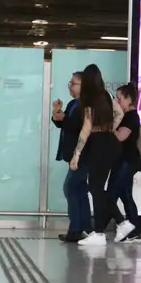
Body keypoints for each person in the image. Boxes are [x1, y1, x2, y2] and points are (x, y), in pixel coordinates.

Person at [70, 64, 122, 247]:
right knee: (97, 187)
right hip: (111, 143)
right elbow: (119, 113)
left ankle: (99, 233)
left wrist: (77, 153)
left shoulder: (90, 98)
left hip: (99, 144)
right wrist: (110, 128)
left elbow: (86, 128)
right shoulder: (106, 95)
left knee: (95, 186)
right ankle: (120, 223)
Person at [52, 71, 90, 242]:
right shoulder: (73, 103)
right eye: (70, 83)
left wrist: (64, 118)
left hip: (82, 154)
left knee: (70, 187)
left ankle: (76, 228)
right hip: (73, 154)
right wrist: (57, 114)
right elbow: (64, 124)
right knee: (79, 191)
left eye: (73, 83)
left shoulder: (86, 106)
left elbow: (80, 126)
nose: (70, 86)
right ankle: (84, 228)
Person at [109, 83, 141, 244]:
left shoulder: (131, 116)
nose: (117, 101)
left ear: (128, 99)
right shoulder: (126, 116)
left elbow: (120, 137)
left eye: (119, 98)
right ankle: (133, 231)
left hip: (127, 161)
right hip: (124, 160)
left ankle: (121, 226)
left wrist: (108, 126)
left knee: (111, 195)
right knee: (126, 196)